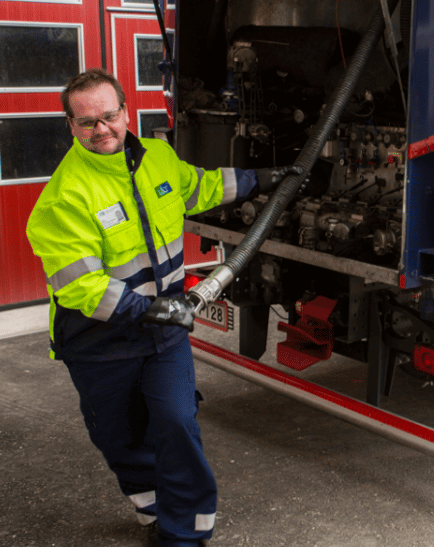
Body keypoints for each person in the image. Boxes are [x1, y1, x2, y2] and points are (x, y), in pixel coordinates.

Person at [26, 68, 295, 547]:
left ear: (126, 112)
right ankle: (150, 508)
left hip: (164, 331)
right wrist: (146, 310)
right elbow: (81, 286)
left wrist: (262, 179)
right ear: (71, 126)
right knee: (121, 437)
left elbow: (203, 186)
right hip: (100, 341)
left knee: (175, 421)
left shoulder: (159, 159)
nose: (101, 129)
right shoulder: (63, 199)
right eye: (87, 122)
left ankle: (185, 533)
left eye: (109, 116)